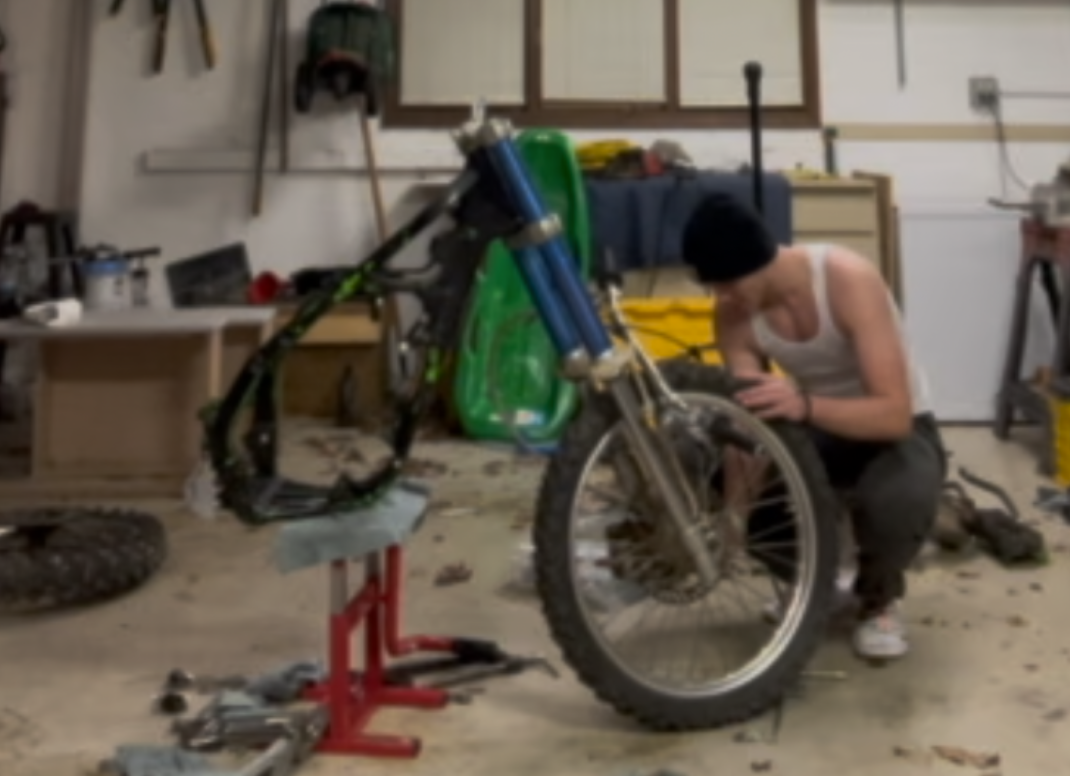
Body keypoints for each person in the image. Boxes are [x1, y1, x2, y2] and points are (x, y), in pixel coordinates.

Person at [680, 192, 946, 660]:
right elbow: (747, 425)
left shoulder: (846, 279)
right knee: (706, 464)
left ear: (758, 260)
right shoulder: (734, 314)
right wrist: (735, 522)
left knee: (895, 498)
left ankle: (878, 599)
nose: (723, 297)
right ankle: (818, 581)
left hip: (893, 426)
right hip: (816, 424)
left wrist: (803, 404)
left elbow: (893, 413)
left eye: (727, 283)